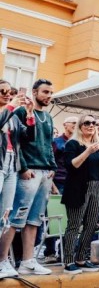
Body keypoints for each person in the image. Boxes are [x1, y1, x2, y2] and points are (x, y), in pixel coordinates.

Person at [0, 79, 56, 277]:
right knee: (15, 217)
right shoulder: (18, 111)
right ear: (34, 92)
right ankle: (2, 260)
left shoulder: (47, 117)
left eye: (51, 92)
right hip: (25, 169)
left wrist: (53, 167)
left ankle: (27, 261)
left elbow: (43, 142)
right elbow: (20, 144)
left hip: (44, 171)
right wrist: (23, 167)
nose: (49, 96)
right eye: (45, 92)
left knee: (34, 220)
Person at [62, 114, 99, 274]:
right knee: (74, 225)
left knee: (91, 224)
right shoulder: (73, 143)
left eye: (94, 123)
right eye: (87, 123)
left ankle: (81, 258)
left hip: (95, 187)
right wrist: (87, 151)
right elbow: (72, 165)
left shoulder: (98, 144)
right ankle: (68, 261)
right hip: (77, 188)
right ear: (80, 126)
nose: (91, 125)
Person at [0, 81, 35, 278]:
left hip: (11, 165)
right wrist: (12, 105)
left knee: (5, 214)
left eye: (10, 91)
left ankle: (1, 261)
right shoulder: (7, 111)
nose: (7, 94)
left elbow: (28, 137)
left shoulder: (12, 116)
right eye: (3, 91)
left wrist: (29, 113)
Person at [43, 115, 78, 263]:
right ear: (65, 125)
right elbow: (49, 164)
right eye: (74, 123)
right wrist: (52, 185)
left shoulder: (78, 142)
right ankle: (50, 252)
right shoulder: (56, 142)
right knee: (53, 217)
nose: (76, 125)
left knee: (71, 219)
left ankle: (65, 252)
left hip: (74, 184)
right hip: (58, 183)